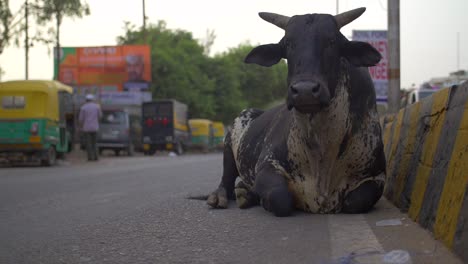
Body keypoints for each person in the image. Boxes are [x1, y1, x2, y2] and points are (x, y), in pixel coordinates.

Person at [79, 94, 102, 161]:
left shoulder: (83, 107)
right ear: (93, 100)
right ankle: (96, 157)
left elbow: (81, 119)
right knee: (95, 143)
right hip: (95, 127)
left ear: (86, 100)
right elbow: (100, 116)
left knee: (88, 144)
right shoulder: (97, 107)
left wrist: (80, 127)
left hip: (86, 128)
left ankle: (90, 157)